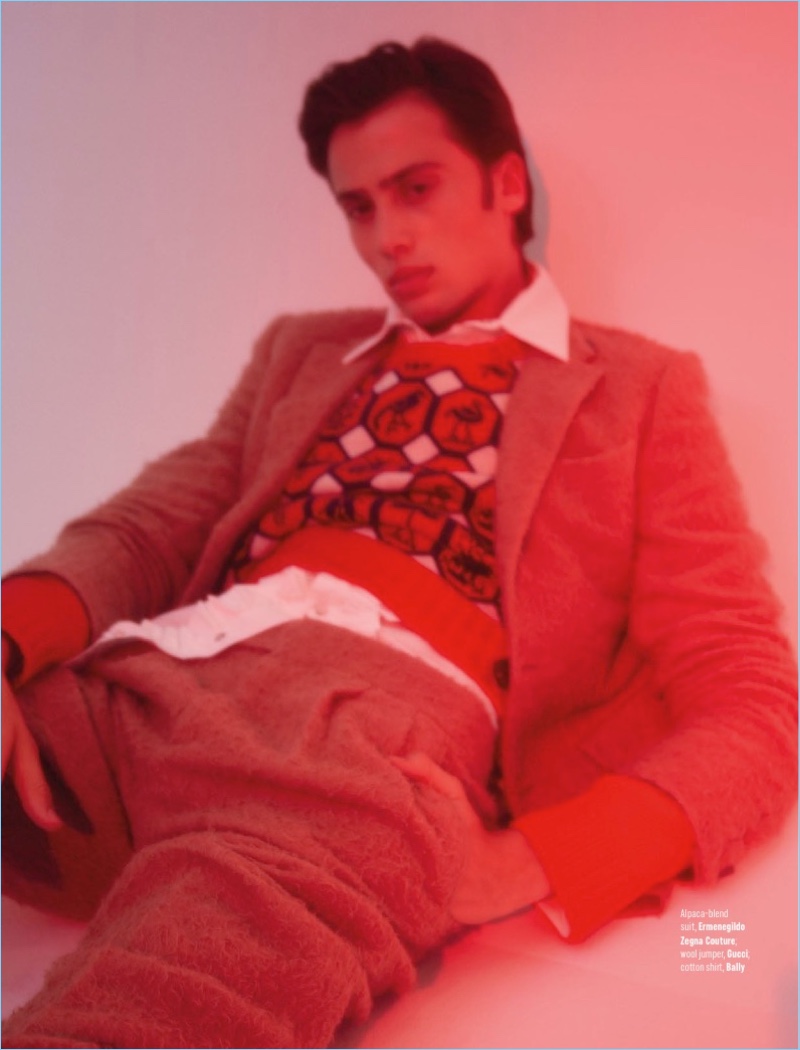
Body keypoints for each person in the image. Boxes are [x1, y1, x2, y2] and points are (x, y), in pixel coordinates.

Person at [2, 36, 796, 1049]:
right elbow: (150, 527)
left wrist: (528, 860)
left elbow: (747, 693)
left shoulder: (641, 388)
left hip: (366, 734)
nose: (387, 239)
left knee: (156, 1011)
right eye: (358, 207)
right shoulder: (301, 350)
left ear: (506, 183)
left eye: (416, 189)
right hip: (145, 683)